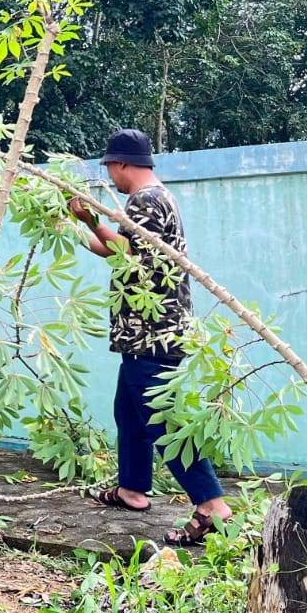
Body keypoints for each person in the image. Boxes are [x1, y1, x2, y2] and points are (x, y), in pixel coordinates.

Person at [68, 128, 233, 547]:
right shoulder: (155, 200)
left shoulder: (146, 200)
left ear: (123, 164)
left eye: (110, 166)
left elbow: (124, 251)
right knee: (129, 412)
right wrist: (74, 228)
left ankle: (212, 505)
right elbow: (118, 249)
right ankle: (132, 489)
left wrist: (89, 219)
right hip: (145, 333)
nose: (110, 174)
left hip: (154, 333)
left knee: (163, 421)